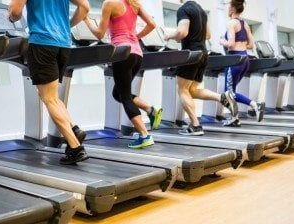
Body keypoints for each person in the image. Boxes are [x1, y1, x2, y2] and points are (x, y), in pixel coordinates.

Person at [8, 0, 90, 164]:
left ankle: (75, 148)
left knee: (49, 98)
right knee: (51, 96)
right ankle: (74, 130)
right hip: (63, 43)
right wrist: (66, 25)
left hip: (42, 42)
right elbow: (85, 7)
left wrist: (10, 17)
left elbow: (16, 11)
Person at [85, 0, 163, 149]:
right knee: (118, 93)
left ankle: (144, 135)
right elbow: (152, 24)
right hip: (137, 54)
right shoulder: (134, 3)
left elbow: (100, 33)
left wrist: (86, 20)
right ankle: (150, 109)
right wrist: (135, 37)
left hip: (122, 54)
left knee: (125, 97)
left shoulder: (109, 3)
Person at [164, 0, 239, 136]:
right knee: (192, 90)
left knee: (182, 89)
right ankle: (221, 97)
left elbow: (182, 32)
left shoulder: (184, 9)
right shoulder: (201, 11)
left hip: (191, 54)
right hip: (203, 53)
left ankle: (195, 125)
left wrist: (169, 35)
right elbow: (208, 35)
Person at [219, 0, 265, 126]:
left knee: (228, 93)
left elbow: (231, 44)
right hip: (245, 59)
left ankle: (256, 105)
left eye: (229, 7)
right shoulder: (245, 24)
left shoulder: (231, 23)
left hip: (234, 60)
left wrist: (222, 41)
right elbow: (251, 45)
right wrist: (242, 44)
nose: (228, 9)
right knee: (231, 91)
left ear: (233, 8)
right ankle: (235, 118)